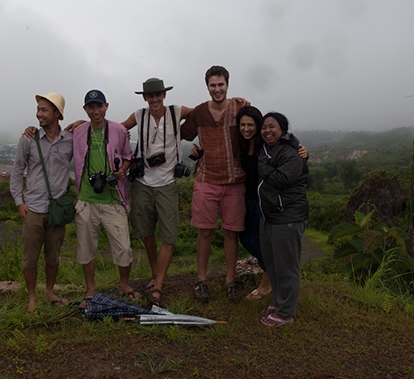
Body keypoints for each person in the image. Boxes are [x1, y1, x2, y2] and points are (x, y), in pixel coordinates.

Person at [121, 78, 192, 307]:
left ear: (164, 95)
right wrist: (84, 124)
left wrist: (234, 103)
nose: (155, 99)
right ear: (144, 97)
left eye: (158, 94)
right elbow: (117, 128)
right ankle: (155, 273)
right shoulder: (139, 115)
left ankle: (159, 284)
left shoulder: (177, 111)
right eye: (150, 95)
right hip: (143, 182)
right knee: (146, 231)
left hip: (167, 182)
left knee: (169, 234)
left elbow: (202, 113)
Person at [180, 65, 246, 302]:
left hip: (235, 179)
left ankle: (230, 280)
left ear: (227, 85)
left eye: (221, 85)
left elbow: (261, 129)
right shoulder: (199, 112)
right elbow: (181, 133)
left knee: (231, 232)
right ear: (207, 87)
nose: (217, 89)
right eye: (213, 85)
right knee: (205, 232)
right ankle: (201, 279)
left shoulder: (241, 108)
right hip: (206, 179)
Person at [234, 106, 308, 302]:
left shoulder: (266, 146)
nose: (247, 128)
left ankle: (267, 283)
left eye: (251, 125)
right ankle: (271, 274)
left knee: (263, 242)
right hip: (248, 198)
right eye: (243, 125)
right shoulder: (242, 144)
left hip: (266, 201)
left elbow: (289, 160)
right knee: (247, 239)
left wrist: (303, 152)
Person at [72, 89, 139, 304]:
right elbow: (57, 137)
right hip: (86, 200)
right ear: (85, 109)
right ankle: (90, 290)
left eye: (99, 106)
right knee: (86, 249)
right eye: (91, 107)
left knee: (123, 248)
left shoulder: (119, 130)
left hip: (113, 198)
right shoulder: (78, 132)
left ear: (106, 106)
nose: (96, 111)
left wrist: (122, 171)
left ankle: (124, 285)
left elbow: (128, 156)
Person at [10, 92, 73, 311]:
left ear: (57, 113)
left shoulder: (69, 140)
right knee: (30, 258)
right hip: (33, 209)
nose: (39, 114)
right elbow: (17, 171)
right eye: (38, 109)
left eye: (44, 110)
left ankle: (49, 292)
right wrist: (19, 202)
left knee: (53, 256)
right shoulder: (29, 139)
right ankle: (32, 298)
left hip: (57, 210)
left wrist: (80, 123)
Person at [257, 112, 309, 327]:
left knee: (287, 266)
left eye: (272, 126)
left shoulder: (290, 152)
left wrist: (262, 167)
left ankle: (286, 313)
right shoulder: (267, 150)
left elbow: (283, 178)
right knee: (273, 264)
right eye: (264, 127)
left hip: (287, 215)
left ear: (282, 129)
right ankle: (279, 302)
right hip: (270, 216)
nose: (267, 130)